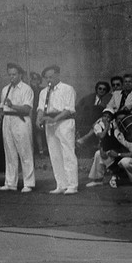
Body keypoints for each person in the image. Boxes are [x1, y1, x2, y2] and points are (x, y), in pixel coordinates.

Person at [38, 65, 79, 193]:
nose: (49, 80)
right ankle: (61, 185)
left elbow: (69, 109)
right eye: (46, 78)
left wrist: (55, 119)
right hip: (49, 123)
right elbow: (40, 109)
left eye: (51, 77)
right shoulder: (44, 92)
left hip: (64, 122)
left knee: (68, 153)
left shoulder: (68, 89)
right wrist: (38, 119)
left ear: (58, 75)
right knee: (55, 155)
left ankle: (72, 185)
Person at [0, 63, 37, 191]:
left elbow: (26, 109)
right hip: (8, 120)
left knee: (25, 152)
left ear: (20, 74)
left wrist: (12, 105)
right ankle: (10, 183)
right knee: (9, 152)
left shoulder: (27, 89)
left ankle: (28, 183)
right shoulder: (5, 89)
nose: (12, 77)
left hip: (21, 120)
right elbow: (2, 107)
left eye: (14, 74)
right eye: (9, 74)